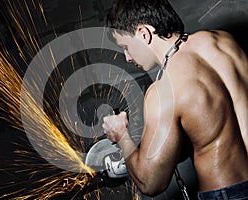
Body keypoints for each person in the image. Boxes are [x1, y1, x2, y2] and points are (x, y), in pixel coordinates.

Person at [102, 0, 248, 199]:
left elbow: (151, 182)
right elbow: (219, 126)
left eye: (126, 46)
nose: (127, 57)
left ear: (144, 34)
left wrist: (121, 135)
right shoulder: (224, 42)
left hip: (229, 192)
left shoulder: (163, 92)